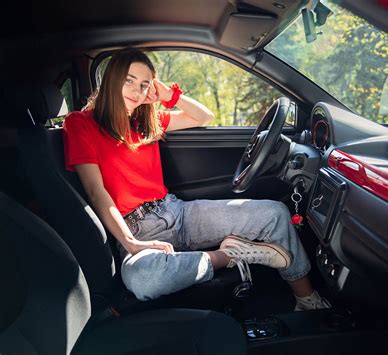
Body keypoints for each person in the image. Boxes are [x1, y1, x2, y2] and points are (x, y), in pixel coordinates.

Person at [63, 48, 330, 311]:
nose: (137, 91)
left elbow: (203, 116)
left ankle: (307, 300)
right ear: (112, 79)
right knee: (143, 279)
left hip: (175, 211)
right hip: (134, 229)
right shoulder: (81, 123)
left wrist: (169, 95)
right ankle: (231, 255)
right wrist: (131, 243)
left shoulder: (147, 120)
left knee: (274, 213)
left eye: (144, 85)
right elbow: (96, 192)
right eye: (129, 80)